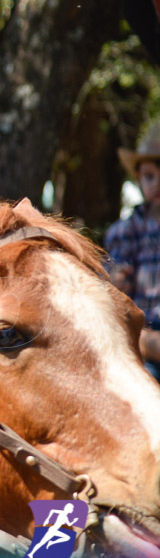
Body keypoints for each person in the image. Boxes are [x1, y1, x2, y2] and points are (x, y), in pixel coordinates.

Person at [105, 122, 160, 378]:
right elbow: (113, 279)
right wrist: (116, 279)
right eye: (149, 176)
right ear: (139, 179)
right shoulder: (125, 231)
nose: (157, 184)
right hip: (143, 328)